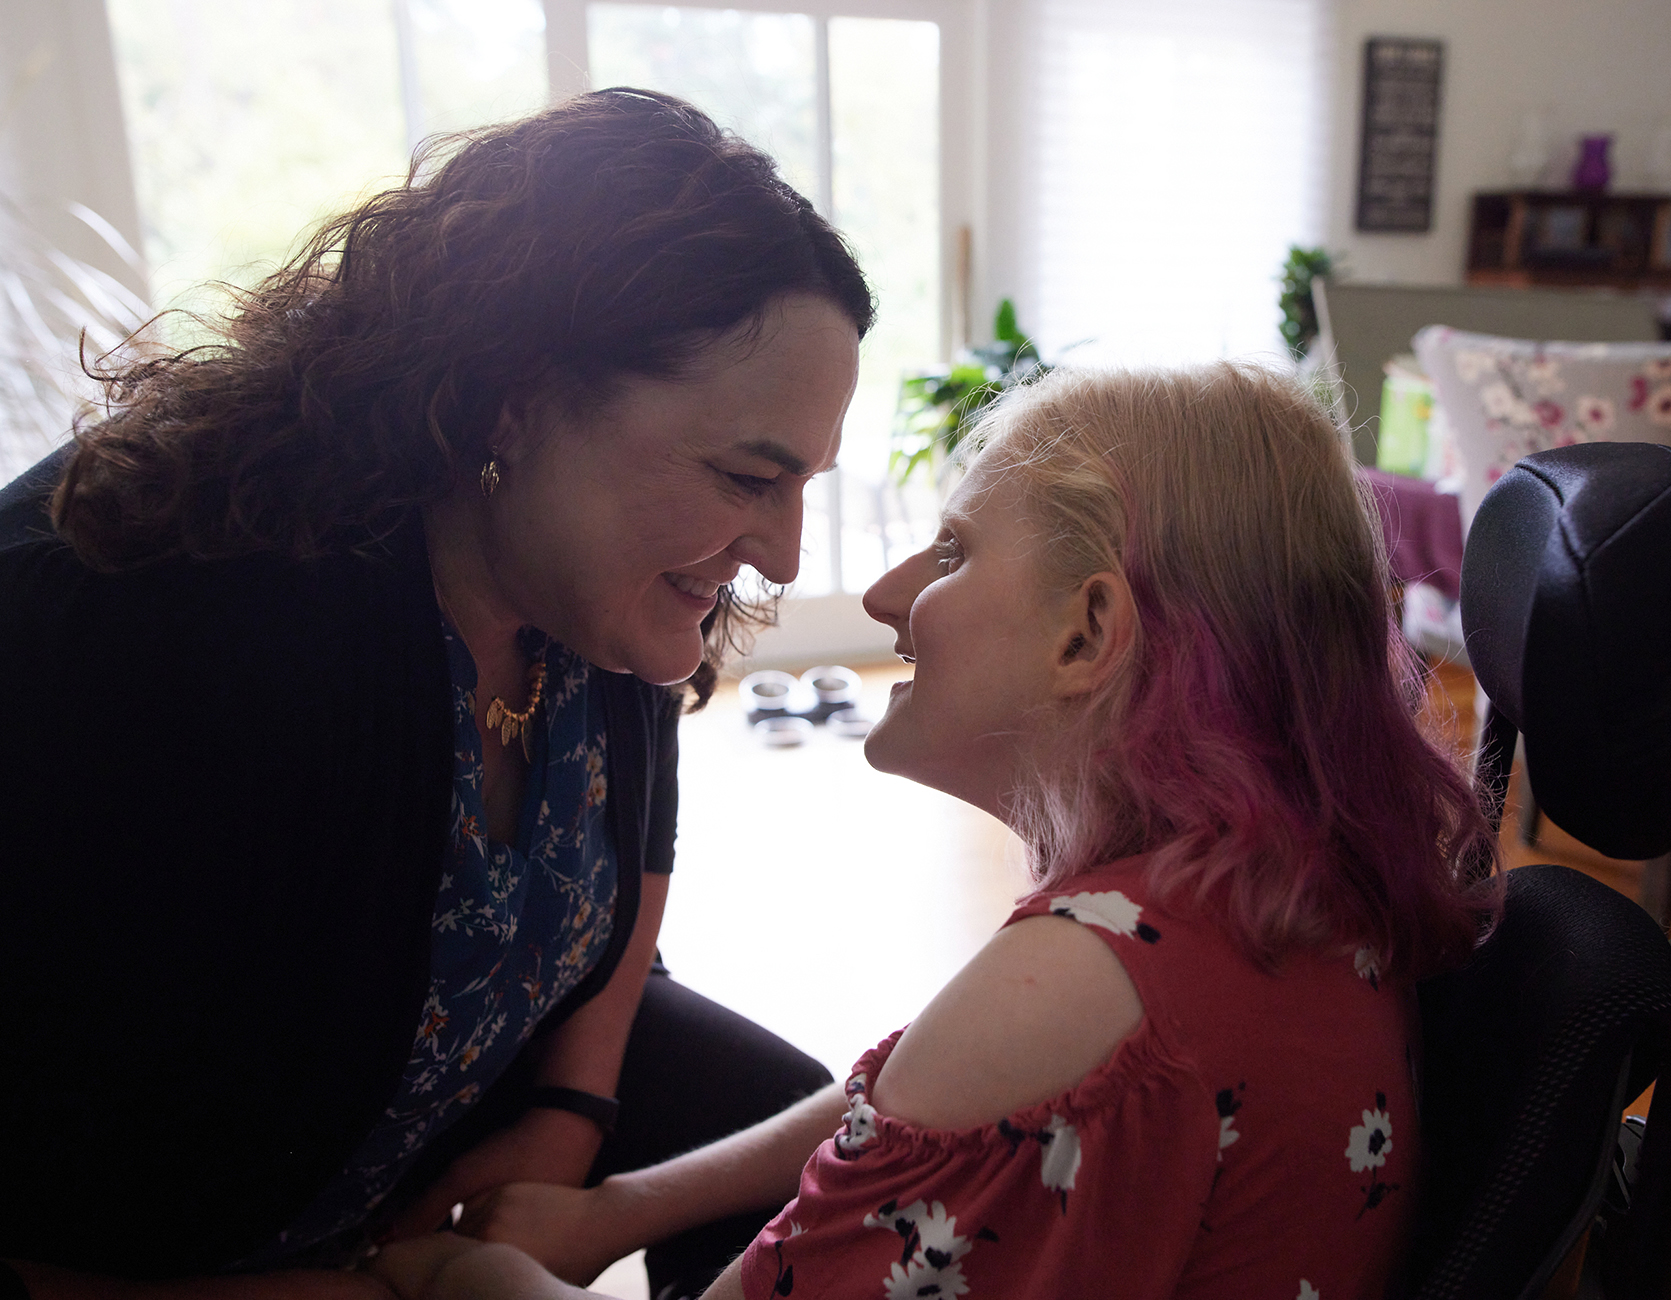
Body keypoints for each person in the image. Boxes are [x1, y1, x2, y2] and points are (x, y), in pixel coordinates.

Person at [0, 89, 874, 1300]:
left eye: (800, 488)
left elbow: (637, 847)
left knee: (806, 1140)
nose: (782, 554)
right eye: (745, 478)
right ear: (511, 392)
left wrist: (573, 1107)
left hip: (414, 1120)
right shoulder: (170, 640)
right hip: (147, 1248)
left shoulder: (588, 599)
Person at [375, 361, 1500, 1299]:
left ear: (1088, 632)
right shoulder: (1249, 899)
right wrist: (619, 1208)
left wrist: (445, 1279)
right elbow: (914, 1086)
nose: (882, 592)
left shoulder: (1070, 985)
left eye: (953, 553)